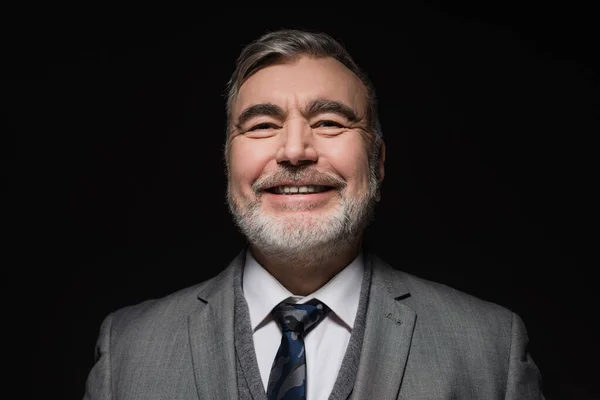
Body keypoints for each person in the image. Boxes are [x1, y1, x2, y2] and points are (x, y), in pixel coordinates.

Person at [83, 29, 545, 399]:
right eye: (262, 125)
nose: (295, 150)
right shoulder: (129, 349)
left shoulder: (489, 349)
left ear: (378, 162)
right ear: (228, 162)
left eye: (329, 122)